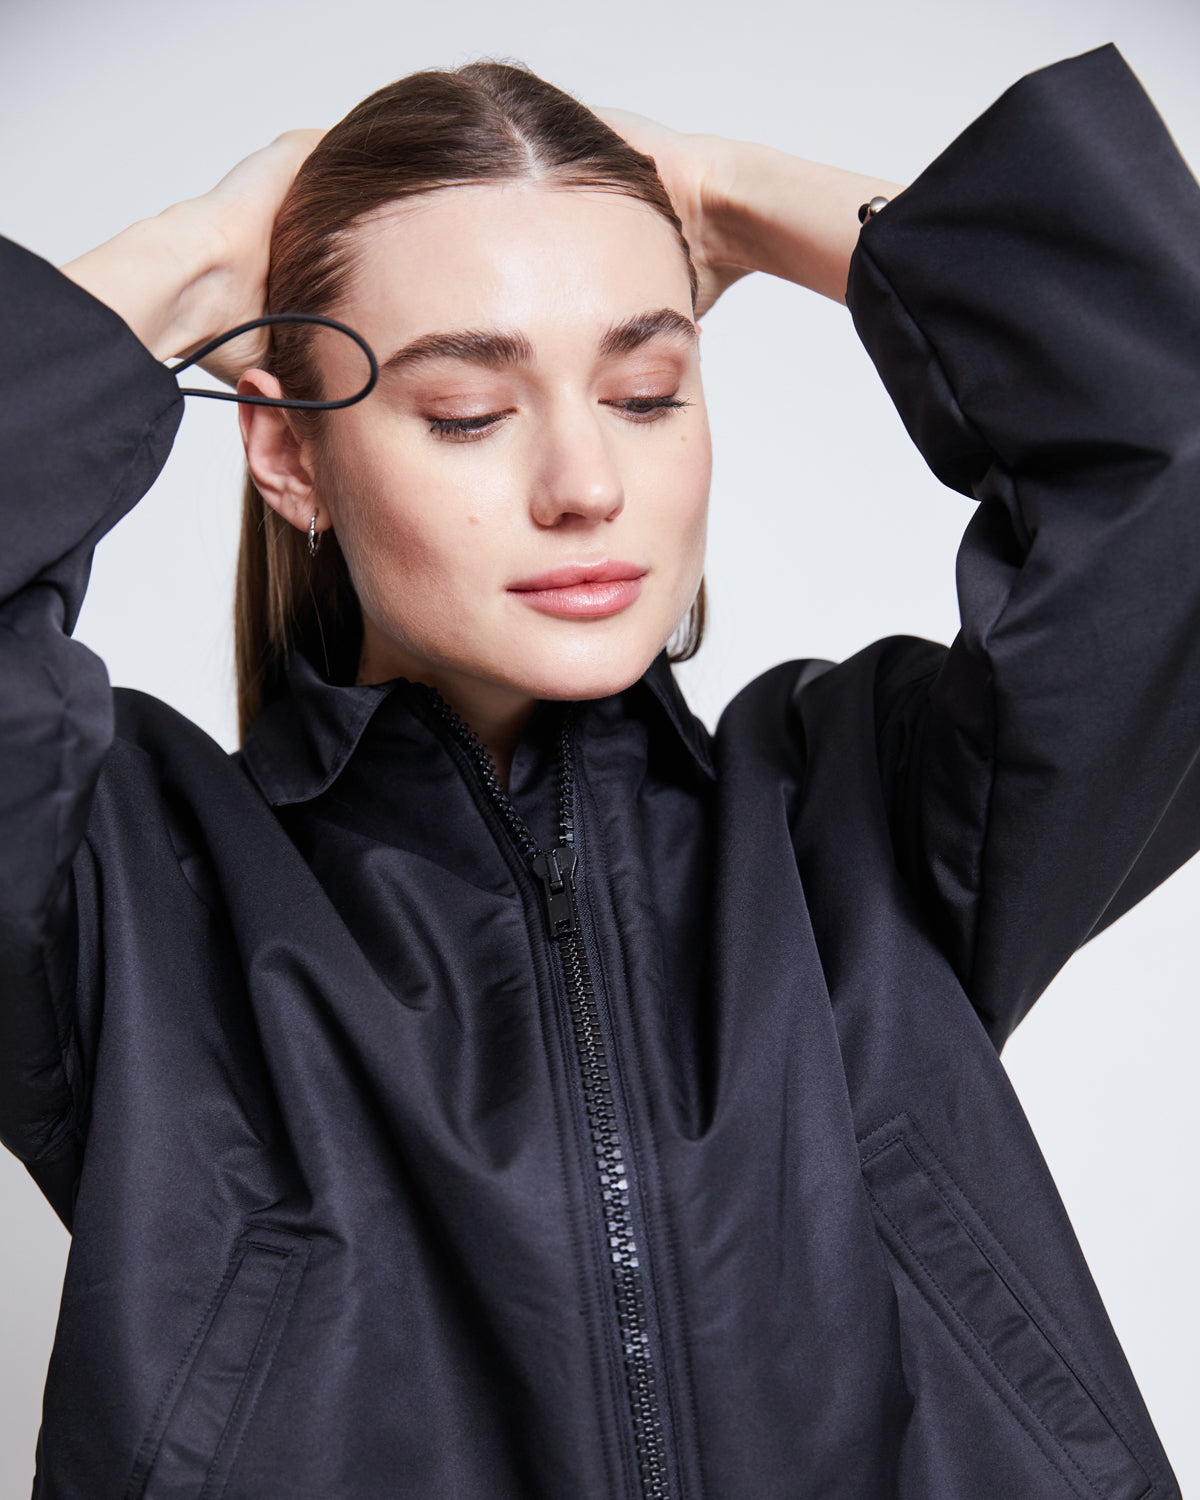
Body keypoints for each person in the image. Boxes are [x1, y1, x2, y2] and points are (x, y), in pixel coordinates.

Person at [1, 41, 1194, 1500]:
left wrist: (727, 192)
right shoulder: (125, 886)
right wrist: (192, 265)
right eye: (467, 413)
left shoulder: (860, 816)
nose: (587, 487)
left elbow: (1176, 463)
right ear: (290, 456)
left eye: (644, 390)